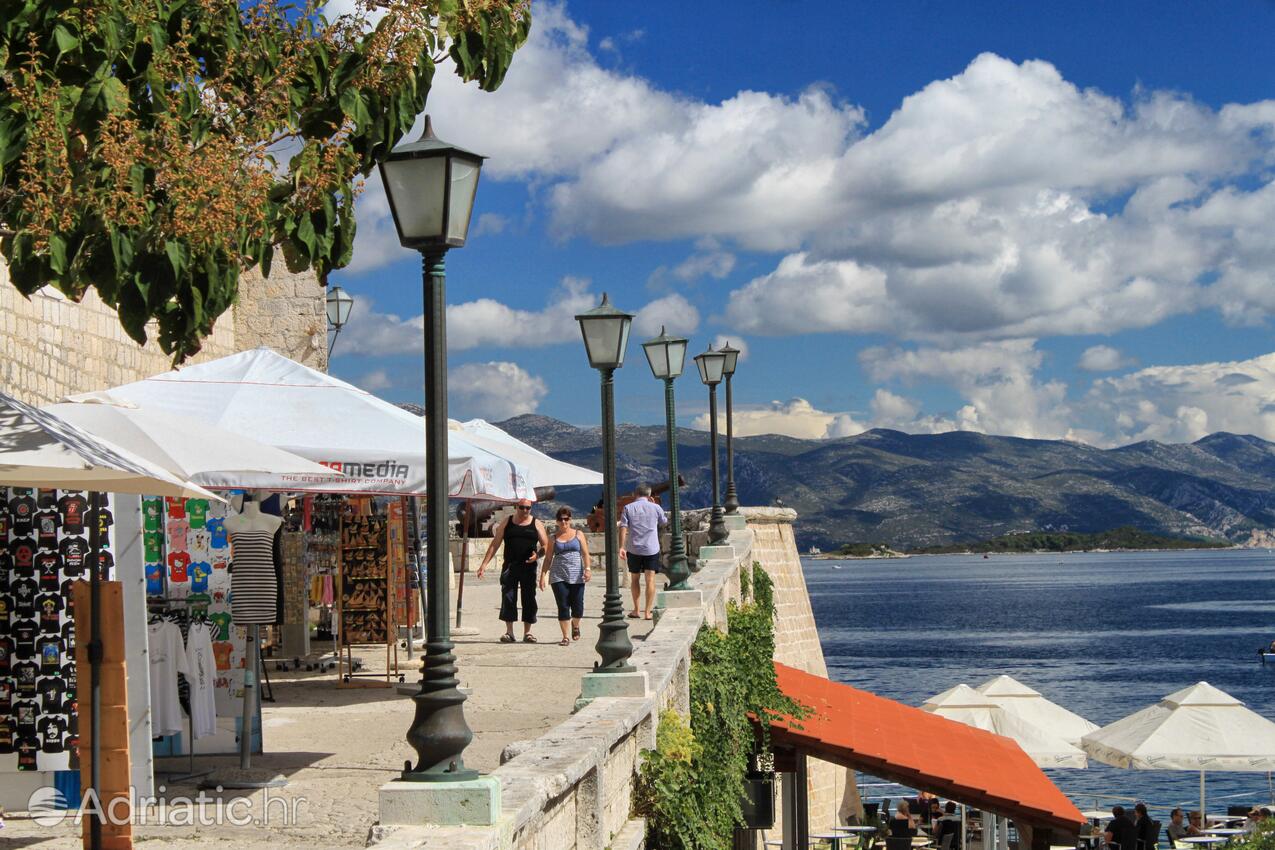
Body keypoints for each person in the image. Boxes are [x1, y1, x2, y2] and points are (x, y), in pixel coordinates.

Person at [477, 499, 549, 643]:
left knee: (529, 598)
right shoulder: (507, 522)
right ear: (516, 507)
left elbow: (546, 545)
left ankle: (528, 632)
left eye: (528, 508)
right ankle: (509, 632)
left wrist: (537, 555)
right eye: (522, 507)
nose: (525, 511)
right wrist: (484, 564)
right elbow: (495, 543)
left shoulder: (536, 523)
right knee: (508, 597)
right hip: (510, 566)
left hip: (529, 567)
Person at [540, 507, 592, 646]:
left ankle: (576, 625)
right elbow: (548, 558)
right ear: (557, 521)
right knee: (563, 605)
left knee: (578, 606)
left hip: (577, 575)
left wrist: (587, 569)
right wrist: (543, 575)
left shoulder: (579, 534)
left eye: (566, 519)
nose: (564, 522)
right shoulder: (553, 538)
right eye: (561, 519)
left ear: (570, 520)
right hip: (558, 575)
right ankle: (565, 636)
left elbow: (585, 554)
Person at [618, 483, 668, 620]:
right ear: (649, 495)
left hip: (634, 548)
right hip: (651, 548)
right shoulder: (656, 507)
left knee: (635, 579)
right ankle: (647, 612)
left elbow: (623, 527)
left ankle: (636, 610)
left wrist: (621, 547)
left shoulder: (628, 508)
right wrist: (655, 505)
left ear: (635, 494)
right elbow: (663, 521)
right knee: (650, 580)